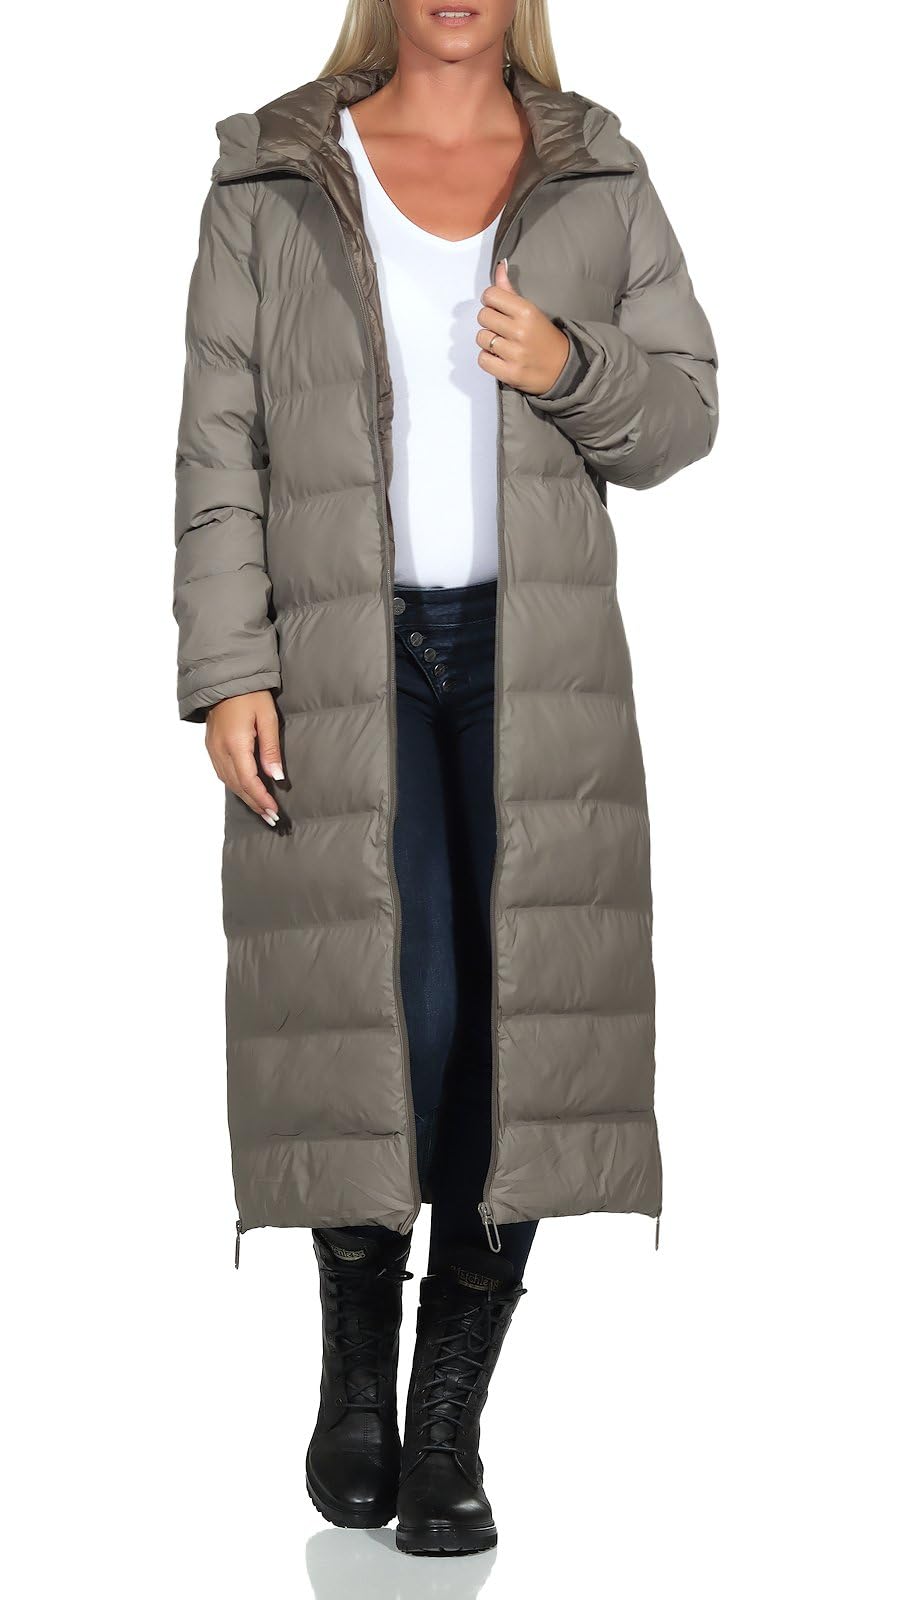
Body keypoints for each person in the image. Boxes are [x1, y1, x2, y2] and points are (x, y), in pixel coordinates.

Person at [173, 0, 718, 1558]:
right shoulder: (276, 173)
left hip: (528, 661)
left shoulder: (596, 172)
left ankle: (449, 1417)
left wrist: (570, 363)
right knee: (386, 1013)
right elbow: (218, 441)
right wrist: (230, 668)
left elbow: (684, 413)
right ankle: (357, 1366)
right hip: (344, 659)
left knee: (514, 1020)